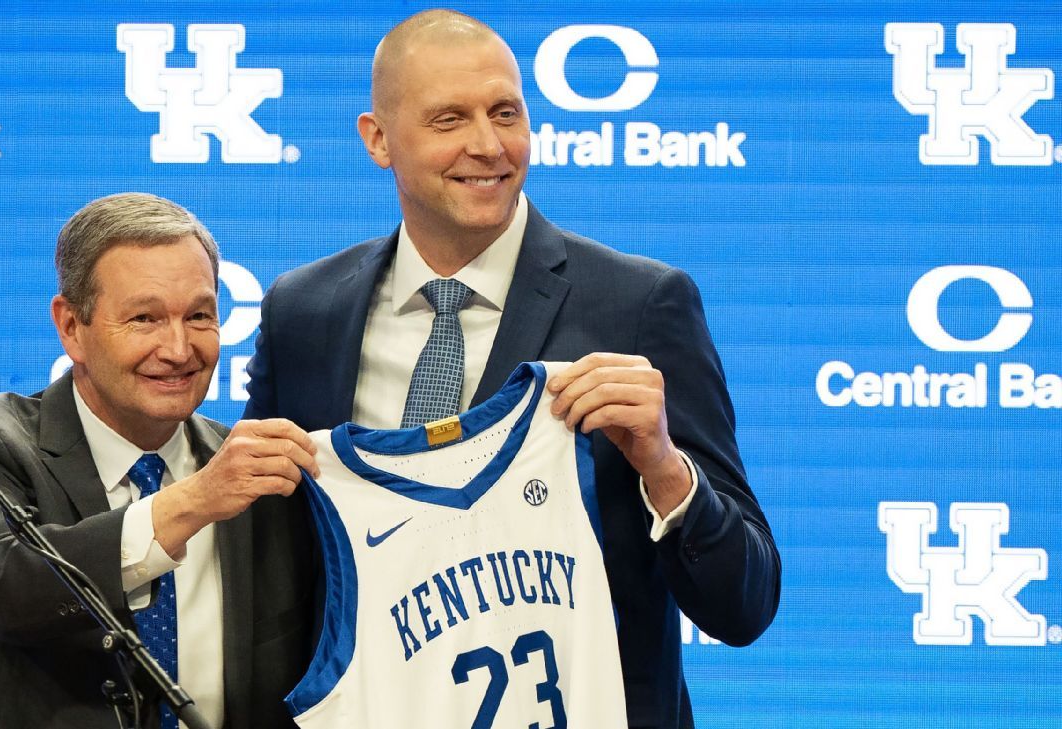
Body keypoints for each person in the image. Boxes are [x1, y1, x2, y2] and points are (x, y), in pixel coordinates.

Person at [241, 10, 780, 728]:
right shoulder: (301, 314)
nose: (487, 145)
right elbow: (269, 571)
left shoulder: (641, 304)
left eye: (505, 113)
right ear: (378, 139)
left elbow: (745, 605)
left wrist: (665, 469)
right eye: (448, 120)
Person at [0, 192, 316, 729]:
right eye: (144, 318)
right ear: (72, 327)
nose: (177, 348)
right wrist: (194, 500)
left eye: (199, 316)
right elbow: (0, 587)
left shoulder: (265, 481)